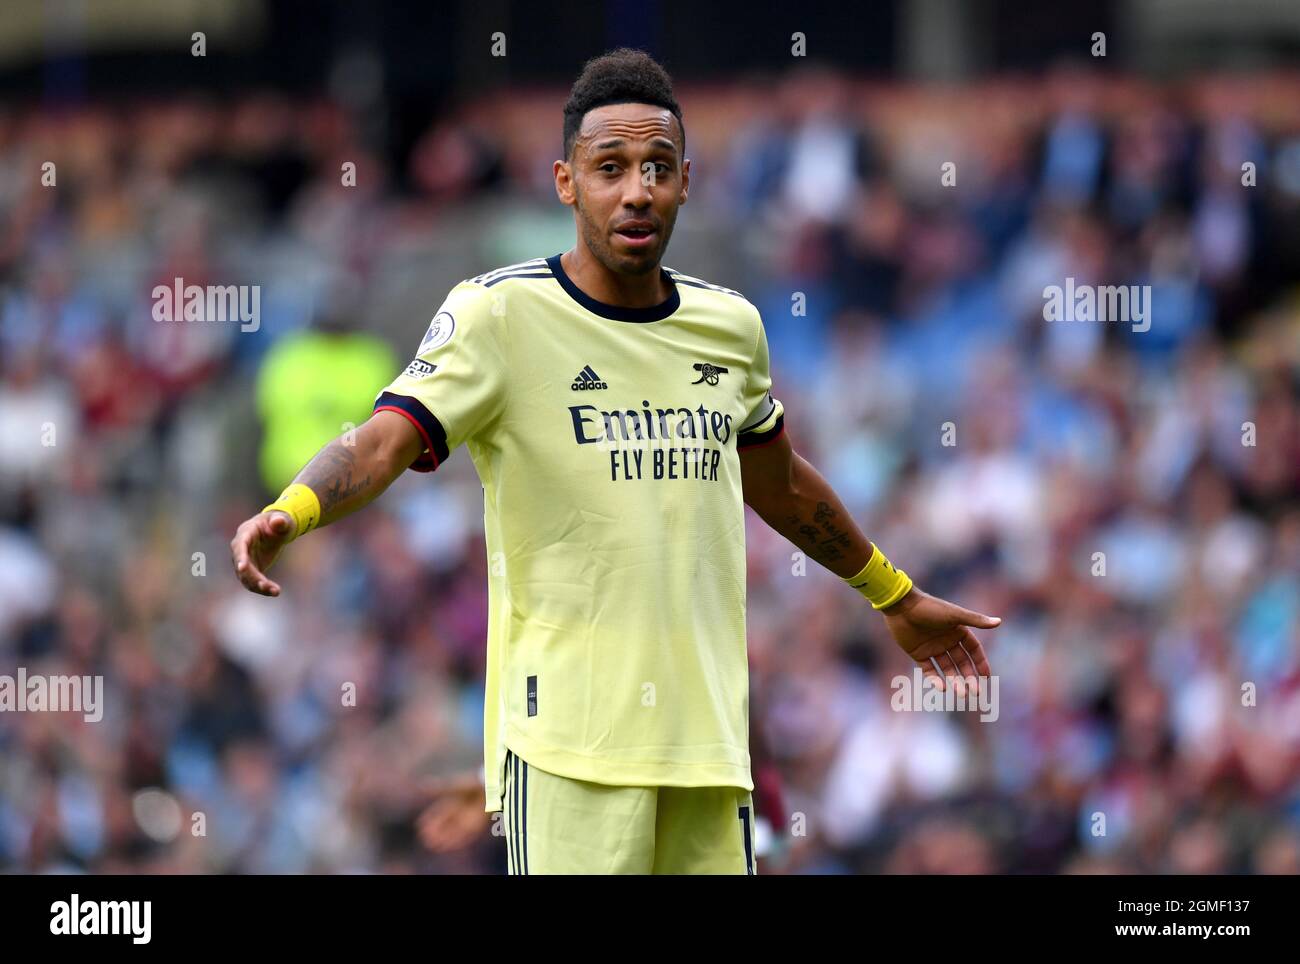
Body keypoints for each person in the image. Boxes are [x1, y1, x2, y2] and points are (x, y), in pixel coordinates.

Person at [230, 48, 1000, 875]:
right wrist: (294, 509)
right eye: (610, 168)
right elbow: (383, 440)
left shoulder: (729, 326)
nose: (637, 189)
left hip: (708, 750)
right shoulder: (499, 313)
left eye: (658, 168)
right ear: (567, 183)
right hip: (569, 750)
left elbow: (776, 481)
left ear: (685, 182)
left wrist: (892, 592)